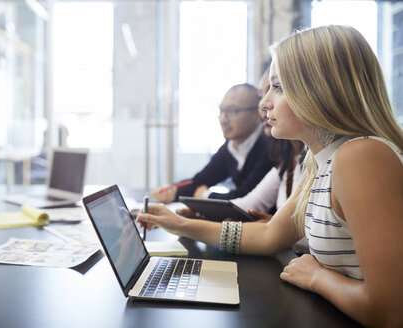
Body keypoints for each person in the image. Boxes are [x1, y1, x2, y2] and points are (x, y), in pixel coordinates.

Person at [138, 25, 403, 326]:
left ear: (319, 90)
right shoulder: (320, 163)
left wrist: (317, 277)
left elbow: (390, 311)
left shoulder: (361, 158)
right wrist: (180, 225)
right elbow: (269, 236)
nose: (264, 103)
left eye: (277, 88)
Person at [152, 83, 275, 203]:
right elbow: (201, 180)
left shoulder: (270, 146)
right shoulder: (230, 147)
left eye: (232, 111)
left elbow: (245, 197)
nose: (223, 119)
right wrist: (173, 190)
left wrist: (206, 195)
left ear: (256, 113)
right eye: (221, 111)